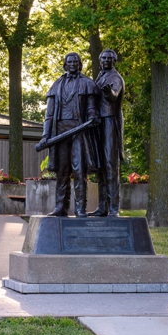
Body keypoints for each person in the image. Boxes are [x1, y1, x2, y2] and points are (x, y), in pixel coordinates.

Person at [40, 52, 101, 217]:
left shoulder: (87, 84)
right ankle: (61, 207)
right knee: (62, 171)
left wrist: (93, 115)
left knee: (79, 170)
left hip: (79, 131)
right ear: (65, 64)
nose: (73, 64)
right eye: (70, 62)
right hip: (60, 132)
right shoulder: (56, 85)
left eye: (76, 62)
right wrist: (46, 136)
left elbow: (91, 108)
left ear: (80, 64)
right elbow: (49, 115)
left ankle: (80, 207)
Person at [88, 48, 125, 217]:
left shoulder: (115, 77)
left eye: (108, 58)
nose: (105, 61)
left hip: (110, 122)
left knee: (110, 166)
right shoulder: (100, 77)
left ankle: (114, 208)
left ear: (113, 61)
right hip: (98, 123)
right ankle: (102, 207)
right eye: (102, 58)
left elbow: (114, 95)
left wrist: (109, 92)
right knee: (100, 167)